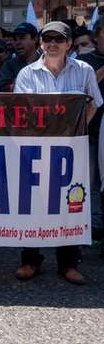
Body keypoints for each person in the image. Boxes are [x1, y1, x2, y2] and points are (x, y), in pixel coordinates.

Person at [12, 21, 102, 285]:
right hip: (36, 147)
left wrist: (78, 129)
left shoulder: (84, 70)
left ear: (69, 44)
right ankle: (30, 260)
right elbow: (21, 111)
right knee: (33, 202)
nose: (52, 44)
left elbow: (95, 103)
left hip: (71, 147)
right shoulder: (27, 73)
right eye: (47, 39)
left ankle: (68, 263)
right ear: (41, 43)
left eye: (58, 39)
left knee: (71, 201)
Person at [69, 18, 104, 248]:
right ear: (96, 35)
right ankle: (87, 228)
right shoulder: (84, 63)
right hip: (89, 132)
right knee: (87, 184)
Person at [0, 22, 39, 92]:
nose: (17, 42)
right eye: (15, 39)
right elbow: (3, 89)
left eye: (22, 38)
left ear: (35, 39)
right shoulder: (9, 65)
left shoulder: (46, 62)